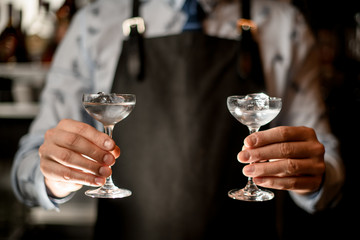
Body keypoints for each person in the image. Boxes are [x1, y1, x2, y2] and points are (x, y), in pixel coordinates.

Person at [11, 0, 344, 239]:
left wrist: (316, 177)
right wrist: (54, 176)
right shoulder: (94, 22)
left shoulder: (286, 23)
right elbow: (24, 172)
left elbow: (331, 175)